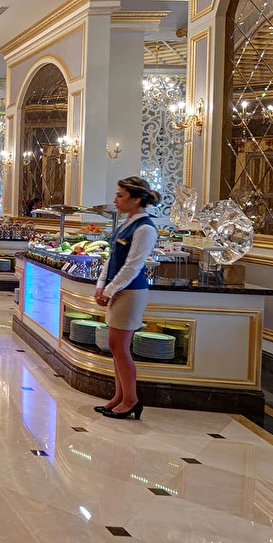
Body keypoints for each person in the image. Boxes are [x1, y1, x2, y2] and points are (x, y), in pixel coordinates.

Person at [94, 176, 162, 420]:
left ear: (136, 199)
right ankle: (119, 396)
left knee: (119, 346)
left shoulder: (145, 228)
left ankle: (131, 400)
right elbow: (112, 258)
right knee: (116, 347)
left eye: (120, 196)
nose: (115, 200)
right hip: (118, 289)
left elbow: (132, 266)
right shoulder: (126, 223)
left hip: (131, 291)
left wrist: (109, 290)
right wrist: (101, 285)